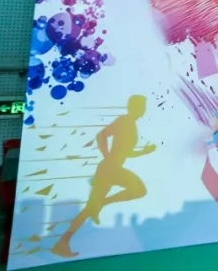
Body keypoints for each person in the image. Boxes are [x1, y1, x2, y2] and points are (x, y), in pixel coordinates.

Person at [51, 95, 156, 258]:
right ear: (135, 107)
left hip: (112, 169)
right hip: (109, 169)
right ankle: (64, 241)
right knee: (137, 190)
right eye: (142, 106)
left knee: (94, 206)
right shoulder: (124, 121)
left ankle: (63, 241)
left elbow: (125, 152)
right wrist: (107, 157)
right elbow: (101, 135)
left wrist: (144, 151)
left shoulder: (130, 123)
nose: (144, 110)